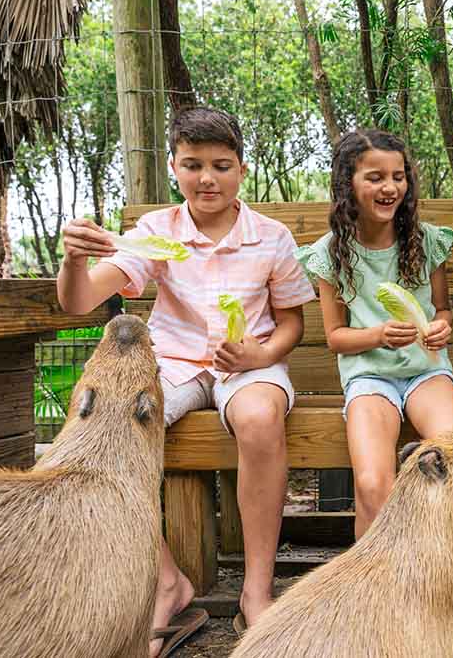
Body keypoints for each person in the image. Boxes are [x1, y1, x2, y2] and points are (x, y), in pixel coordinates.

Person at [57, 107, 317, 652]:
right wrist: (75, 260)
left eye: (221, 165)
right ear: (174, 167)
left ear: (241, 170)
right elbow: (79, 299)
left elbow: (292, 321)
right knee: (106, 424)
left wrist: (259, 353)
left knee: (259, 417)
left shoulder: (270, 237)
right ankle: (167, 582)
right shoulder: (156, 232)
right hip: (171, 363)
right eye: (193, 164)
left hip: (249, 363)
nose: (207, 178)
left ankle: (256, 590)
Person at [296, 129, 453, 540]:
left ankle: (438, 570)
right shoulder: (332, 253)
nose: (390, 187)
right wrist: (378, 336)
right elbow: (336, 337)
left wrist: (440, 326)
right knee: (373, 484)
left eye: (398, 176)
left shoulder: (425, 241)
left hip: (426, 371)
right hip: (369, 378)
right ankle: (375, 586)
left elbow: (442, 310)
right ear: (347, 185)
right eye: (375, 177)